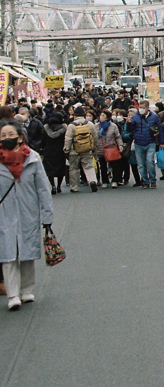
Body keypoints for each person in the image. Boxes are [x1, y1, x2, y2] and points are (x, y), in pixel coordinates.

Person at [0, 119, 55, 311]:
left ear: (20, 137)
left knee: (26, 254)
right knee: (7, 256)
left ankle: (27, 290)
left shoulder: (32, 158)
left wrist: (47, 215)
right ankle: (13, 294)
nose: (7, 138)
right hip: (4, 213)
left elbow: (43, 188)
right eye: (3, 135)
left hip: (27, 212)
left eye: (10, 135)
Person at [64, 107, 99, 193]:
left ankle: (74, 187)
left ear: (75, 115)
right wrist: (94, 147)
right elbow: (95, 136)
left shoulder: (71, 125)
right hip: (87, 148)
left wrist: (66, 150)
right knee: (88, 166)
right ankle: (92, 181)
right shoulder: (89, 124)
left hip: (74, 150)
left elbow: (68, 139)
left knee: (74, 168)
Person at [129, 100, 164, 189]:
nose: (141, 110)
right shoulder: (135, 117)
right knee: (140, 164)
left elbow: (159, 129)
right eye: (140, 108)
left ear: (148, 108)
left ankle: (152, 180)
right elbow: (131, 129)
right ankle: (145, 181)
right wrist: (129, 123)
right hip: (138, 143)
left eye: (143, 108)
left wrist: (161, 142)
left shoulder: (154, 117)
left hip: (150, 141)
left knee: (150, 161)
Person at [94, 110, 124, 189]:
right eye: (101, 115)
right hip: (100, 148)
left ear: (107, 117)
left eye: (103, 115)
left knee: (114, 165)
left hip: (111, 148)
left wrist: (120, 145)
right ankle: (105, 181)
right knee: (103, 166)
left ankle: (115, 180)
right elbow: (94, 137)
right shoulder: (96, 126)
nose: (101, 117)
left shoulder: (113, 126)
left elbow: (117, 137)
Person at [42, 112, 67, 194]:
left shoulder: (46, 128)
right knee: (60, 169)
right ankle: (59, 186)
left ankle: (52, 185)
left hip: (49, 150)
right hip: (60, 150)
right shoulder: (64, 128)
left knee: (50, 170)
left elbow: (43, 140)